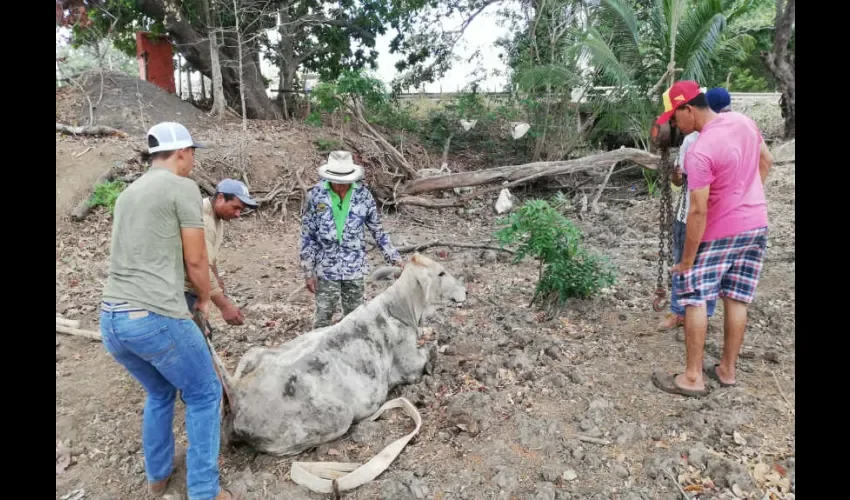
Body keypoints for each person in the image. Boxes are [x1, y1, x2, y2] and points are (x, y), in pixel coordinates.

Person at [99, 122, 243, 500]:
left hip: (112, 319)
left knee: (161, 392)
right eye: (193, 152)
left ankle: (158, 475)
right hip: (153, 317)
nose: (194, 159)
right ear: (181, 152)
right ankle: (204, 491)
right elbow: (195, 260)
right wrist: (205, 298)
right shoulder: (182, 188)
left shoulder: (127, 194)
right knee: (205, 393)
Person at [650, 81, 773, 397]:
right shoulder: (745, 122)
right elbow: (766, 162)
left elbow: (698, 211)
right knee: (737, 297)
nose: (675, 126)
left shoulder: (700, 150)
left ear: (688, 109)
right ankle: (727, 370)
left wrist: (688, 260)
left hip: (719, 230)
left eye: (675, 118)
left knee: (695, 298)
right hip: (756, 225)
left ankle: (692, 377)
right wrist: (745, 194)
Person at [300, 151, 404, 328]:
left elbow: (377, 230)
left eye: (345, 182)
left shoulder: (363, 196)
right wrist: (308, 272)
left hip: (354, 267)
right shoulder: (316, 195)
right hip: (325, 267)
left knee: (355, 317)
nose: (340, 186)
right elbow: (307, 235)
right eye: (336, 182)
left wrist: (394, 257)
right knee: (324, 315)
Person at [657, 127, 717, 330]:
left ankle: (703, 314)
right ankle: (679, 312)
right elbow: (677, 180)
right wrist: (676, 174)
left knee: (710, 266)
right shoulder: (691, 140)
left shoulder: (724, 137)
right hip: (689, 214)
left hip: (715, 216)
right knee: (681, 263)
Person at [184, 178, 257, 334]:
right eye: (235, 208)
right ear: (220, 198)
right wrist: (225, 306)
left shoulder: (217, 216)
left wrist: (217, 279)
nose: (238, 214)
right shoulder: (204, 219)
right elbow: (200, 265)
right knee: (198, 340)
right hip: (179, 290)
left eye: (241, 210)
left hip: (191, 286)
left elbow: (209, 257)